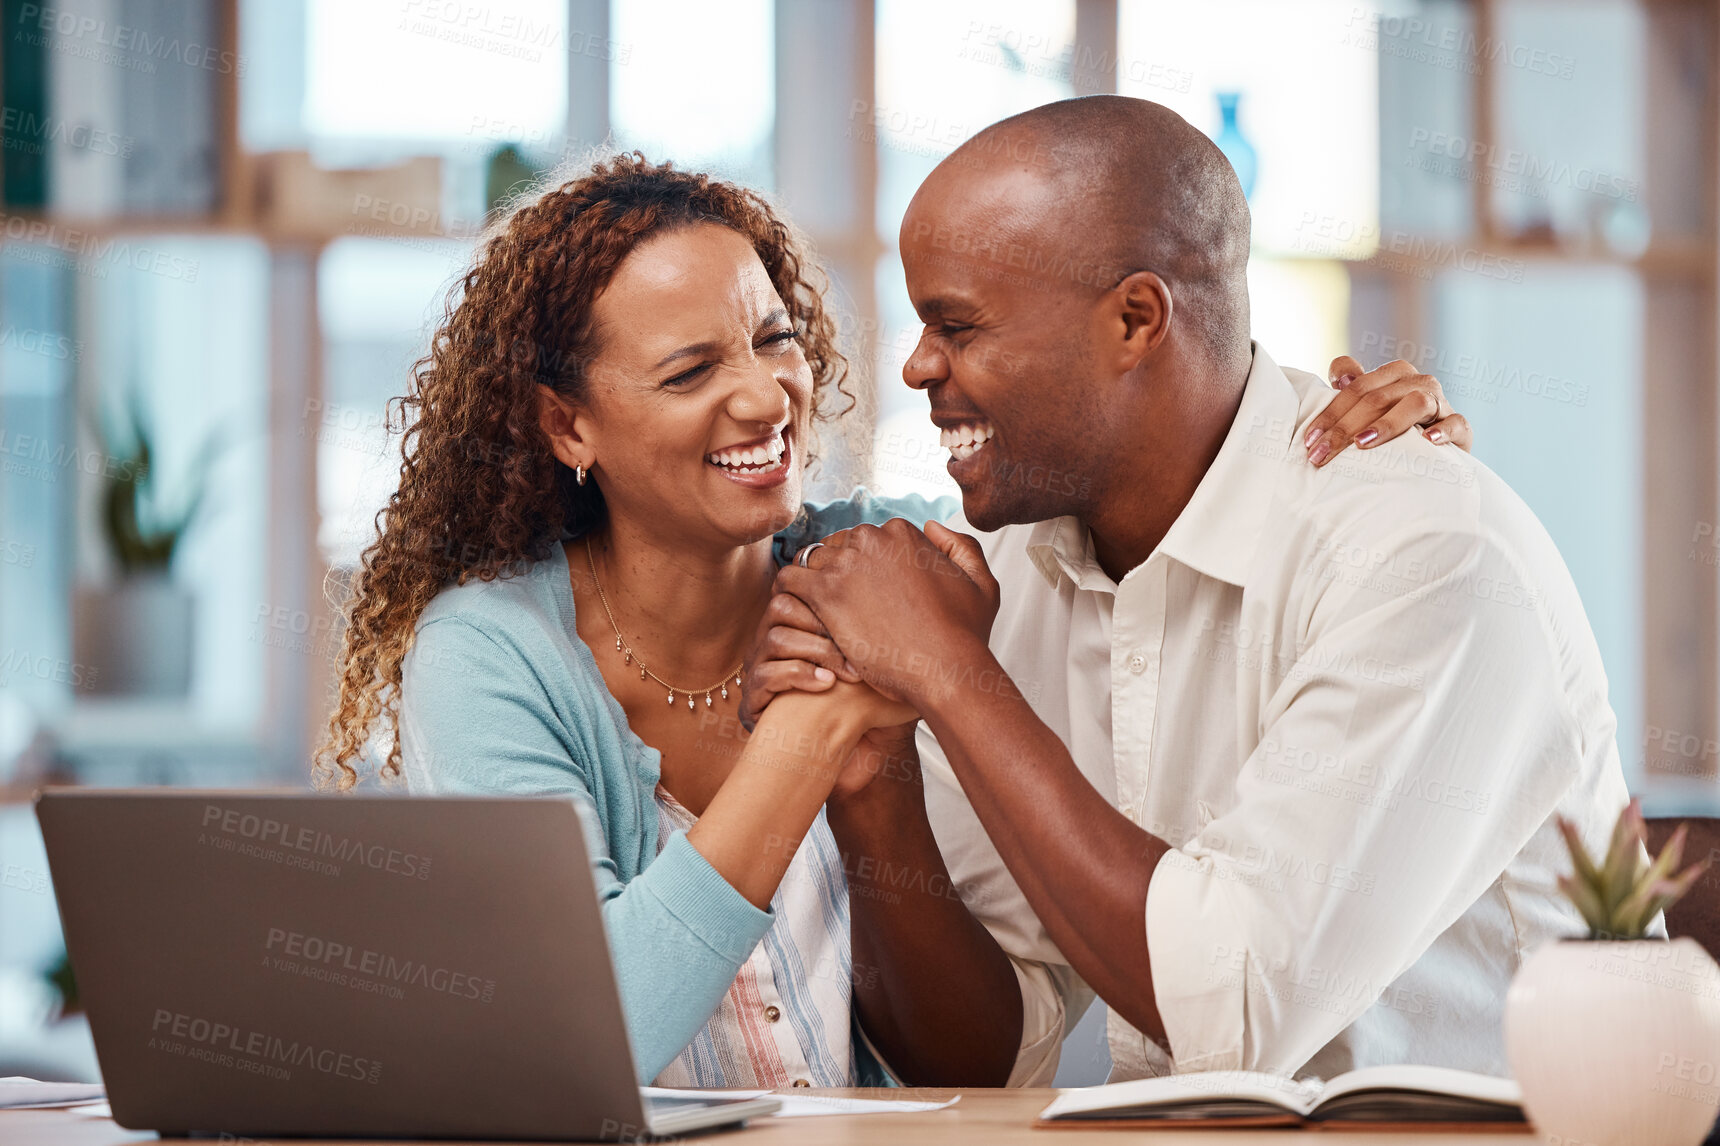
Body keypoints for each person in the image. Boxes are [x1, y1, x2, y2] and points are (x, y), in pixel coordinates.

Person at [314, 153, 1469, 1087]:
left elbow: (1136, 523)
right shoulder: (492, 654)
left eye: (774, 338)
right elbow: (594, 1028)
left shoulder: (900, 563)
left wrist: (1347, 455)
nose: (766, 394)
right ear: (568, 427)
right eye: (688, 370)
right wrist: (815, 731)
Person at [746, 95, 1629, 1084]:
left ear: (1135, 320)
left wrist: (948, 675)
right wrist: (879, 780)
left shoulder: (1421, 550)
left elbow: (1236, 1015)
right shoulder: (1005, 565)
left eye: (955, 323)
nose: (915, 365)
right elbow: (984, 1051)